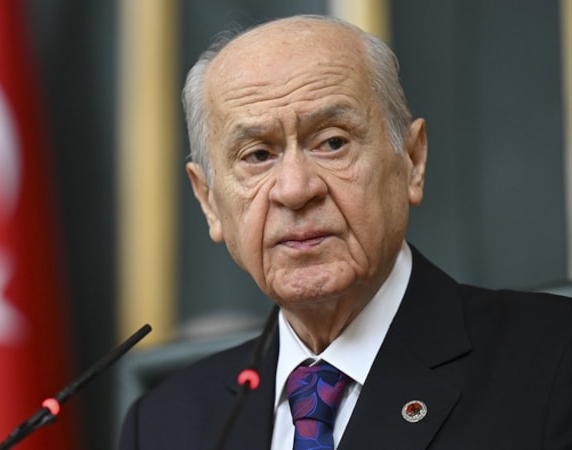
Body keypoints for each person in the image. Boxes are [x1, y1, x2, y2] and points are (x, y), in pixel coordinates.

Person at [118, 14, 572, 450]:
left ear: (412, 161)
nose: (295, 190)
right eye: (257, 155)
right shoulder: (163, 425)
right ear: (209, 202)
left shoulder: (552, 360)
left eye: (332, 142)